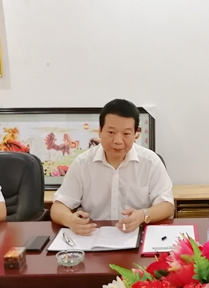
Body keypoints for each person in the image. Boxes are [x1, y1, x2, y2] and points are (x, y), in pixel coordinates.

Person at [50, 99, 174, 235]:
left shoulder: (151, 162)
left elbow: (167, 205)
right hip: (93, 236)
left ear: (135, 135)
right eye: (111, 132)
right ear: (100, 131)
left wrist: (143, 215)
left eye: (126, 134)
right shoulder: (82, 163)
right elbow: (58, 207)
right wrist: (70, 220)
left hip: (138, 234)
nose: (118, 141)